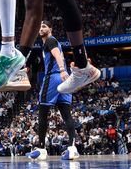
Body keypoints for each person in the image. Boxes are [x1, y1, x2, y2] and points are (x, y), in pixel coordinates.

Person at [25, 22, 79, 161]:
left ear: (50, 29)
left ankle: (42, 150)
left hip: (54, 77)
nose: (41, 28)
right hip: (64, 79)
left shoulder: (50, 40)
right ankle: (72, 148)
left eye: (44, 26)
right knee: (66, 114)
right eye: (40, 27)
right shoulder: (51, 42)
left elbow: (56, 54)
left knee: (43, 112)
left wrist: (61, 69)